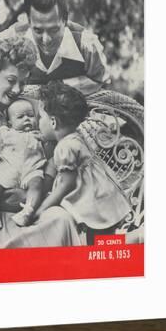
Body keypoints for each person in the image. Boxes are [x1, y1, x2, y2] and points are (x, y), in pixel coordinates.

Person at [0, 36, 83, 249]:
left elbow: (56, 147)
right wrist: (14, 199)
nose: (18, 89)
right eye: (11, 81)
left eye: (23, 82)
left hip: (33, 205)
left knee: (61, 219)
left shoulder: (35, 108)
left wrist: (37, 195)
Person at [0, 0, 109, 98]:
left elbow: (102, 84)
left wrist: (57, 89)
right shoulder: (12, 36)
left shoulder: (86, 44)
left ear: (65, 20)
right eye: (37, 30)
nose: (46, 40)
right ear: (29, 21)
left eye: (53, 30)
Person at [35, 80, 131, 232]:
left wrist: (43, 207)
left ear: (53, 122)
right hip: (104, 196)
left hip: (92, 202)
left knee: (95, 239)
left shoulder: (64, 147)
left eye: (40, 118)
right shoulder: (76, 137)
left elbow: (66, 184)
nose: (38, 122)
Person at [0, 98, 46, 231]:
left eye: (31, 116)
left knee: (37, 184)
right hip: (9, 169)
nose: (27, 119)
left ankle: (28, 212)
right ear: (10, 122)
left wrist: (45, 140)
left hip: (31, 169)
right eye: (20, 117)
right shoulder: (6, 133)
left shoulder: (38, 134)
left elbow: (47, 155)